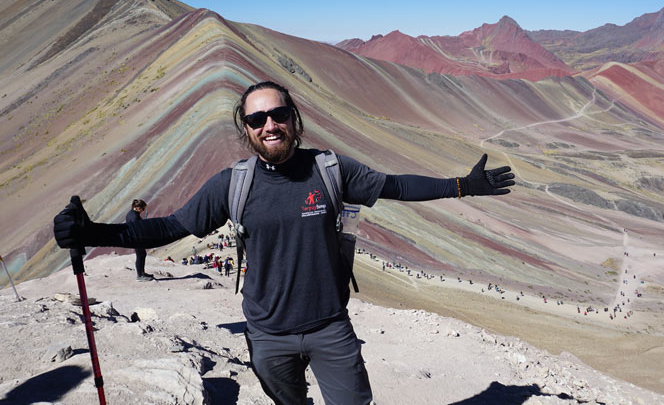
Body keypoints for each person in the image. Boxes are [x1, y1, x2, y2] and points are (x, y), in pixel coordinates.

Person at [54, 80, 515, 405]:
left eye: (277, 114)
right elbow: (170, 228)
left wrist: (462, 186)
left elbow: (395, 185)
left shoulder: (332, 170)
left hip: (330, 328)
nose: (269, 124)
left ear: (294, 119)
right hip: (267, 336)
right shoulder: (231, 185)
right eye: (257, 118)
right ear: (247, 129)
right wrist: (93, 232)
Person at [125, 199, 154, 282]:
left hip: (134, 238)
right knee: (140, 255)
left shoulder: (131, 213)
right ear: (138, 207)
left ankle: (142, 273)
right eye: (142, 209)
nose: (143, 211)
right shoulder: (134, 216)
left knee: (142, 254)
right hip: (136, 239)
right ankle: (139, 275)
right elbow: (137, 228)